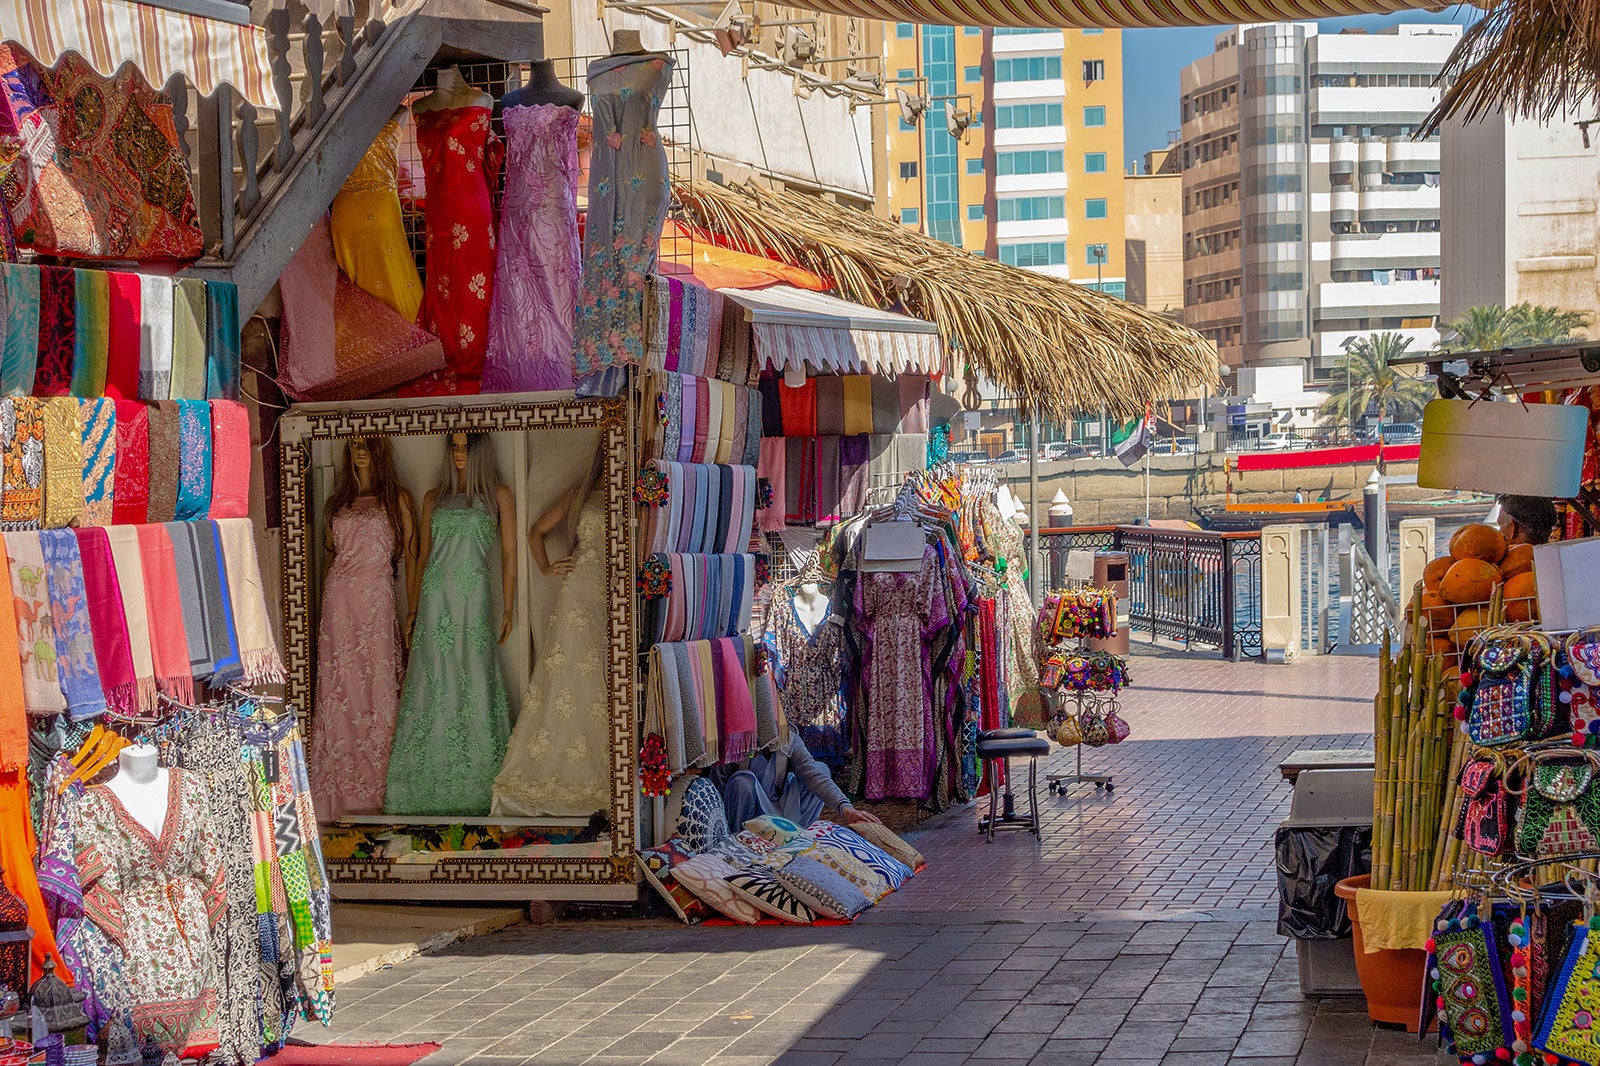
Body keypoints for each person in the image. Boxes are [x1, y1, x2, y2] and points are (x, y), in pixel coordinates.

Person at [712, 733, 883, 832]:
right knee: (743, 781)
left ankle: (794, 834)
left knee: (821, 768)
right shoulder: (737, 739)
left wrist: (847, 809)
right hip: (747, 814)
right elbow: (718, 785)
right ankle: (741, 839)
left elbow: (814, 775)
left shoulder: (788, 738)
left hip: (780, 810)